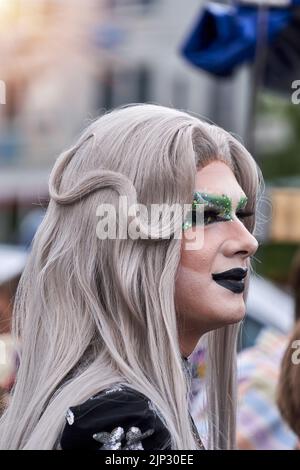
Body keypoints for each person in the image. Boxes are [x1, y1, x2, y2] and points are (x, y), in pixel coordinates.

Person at [0, 104, 260, 450]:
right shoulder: (125, 422)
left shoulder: (113, 408)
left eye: (241, 214)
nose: (248, 241)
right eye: (207, 215)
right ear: (127, 244)